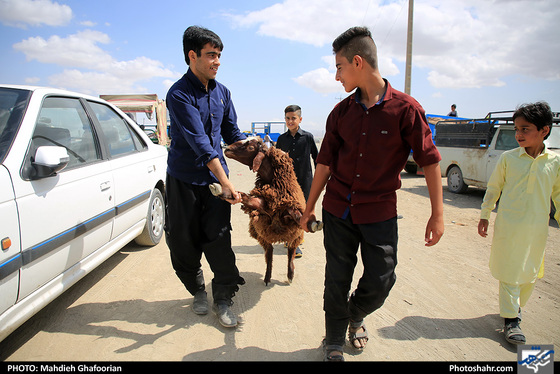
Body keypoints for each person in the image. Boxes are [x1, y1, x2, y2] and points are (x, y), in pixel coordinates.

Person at [300, 26, 444, 361]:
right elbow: (323, 164)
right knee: (336, 275)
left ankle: (354, 313)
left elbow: (430, 161)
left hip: (379, 212)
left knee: (382, 278)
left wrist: (437, 213)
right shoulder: (340, 113)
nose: (336, 76)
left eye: (339, 67)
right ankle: (334, 339)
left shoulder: (406, 110)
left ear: (358, 62)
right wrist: (310, 208)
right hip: (339, 209)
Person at [165, 26, 246, 328]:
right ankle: (197, 289)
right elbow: (200, 142)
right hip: (184, 179)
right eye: (211, 55)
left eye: (219, 56)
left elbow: (232, 134)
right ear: (192, 55)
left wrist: (259, 155)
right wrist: (226, 182)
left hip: (214, 181)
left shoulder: (223, 93)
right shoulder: (178, 94)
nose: (217, 61)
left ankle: (222, 297)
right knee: (184, 241)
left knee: (219, 238)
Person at [478, 102, 560, 345]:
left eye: (525, 129)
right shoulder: (508, 159)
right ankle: (511, 320)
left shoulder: (554, 162)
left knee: (530, 273)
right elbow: (494, 188)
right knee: (510, 271)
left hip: (536, 230)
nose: (518, 134)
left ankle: (514, 307)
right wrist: (485, 214)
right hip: (509, 226)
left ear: (544, 130)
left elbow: (558, 194)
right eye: (516, 129)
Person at [276, 105, 319, 257]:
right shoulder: (281, 139)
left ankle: (297, 240)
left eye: (293, 118)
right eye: (287, 118)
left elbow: (316, 158)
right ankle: (291, 241)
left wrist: (318, 179)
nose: (290, 121)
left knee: (302, 211)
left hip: (305, 180)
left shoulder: (308, 137)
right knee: (288, 211)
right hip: (287, 183)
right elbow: (277, 160)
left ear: (300, 119)